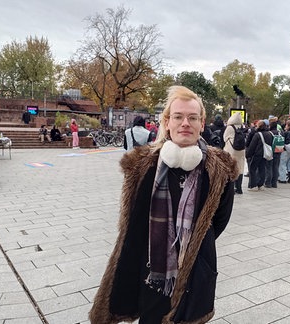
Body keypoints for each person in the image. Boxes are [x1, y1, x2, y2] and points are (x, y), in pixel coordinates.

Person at [89, 85, 236, 324]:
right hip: (151, 275)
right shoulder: (142, 166)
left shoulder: (220, 169)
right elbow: (134, 225)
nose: (185, 123)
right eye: (178, 116)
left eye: (192, 117)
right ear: (167, 122)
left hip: (195, 272)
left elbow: (219, 220)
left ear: (202, 123)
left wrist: (193, 244)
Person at [245, 120, 272, 191]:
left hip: (257, 154)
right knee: (262, 169)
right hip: (265, 154)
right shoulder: (269, 134)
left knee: (252, 169)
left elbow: (252, 146)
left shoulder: (257, 135)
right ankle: (261, 184)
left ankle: (253, 185)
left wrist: (248, 154)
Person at [223, 112, 246, 194]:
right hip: (241, 150)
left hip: (231, 149)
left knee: (231, 168)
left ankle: (232, 188)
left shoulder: (230, 127)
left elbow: (225, 138)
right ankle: (239, 188)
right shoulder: (241, 126)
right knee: (240, 168)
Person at [265, 117, 282, 188]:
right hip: (278, 151)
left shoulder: (269, 133)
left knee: (269, 167)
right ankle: (274, 183)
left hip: (271, 152)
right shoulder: (280, 133)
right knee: (276, 167)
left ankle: (268, 182)